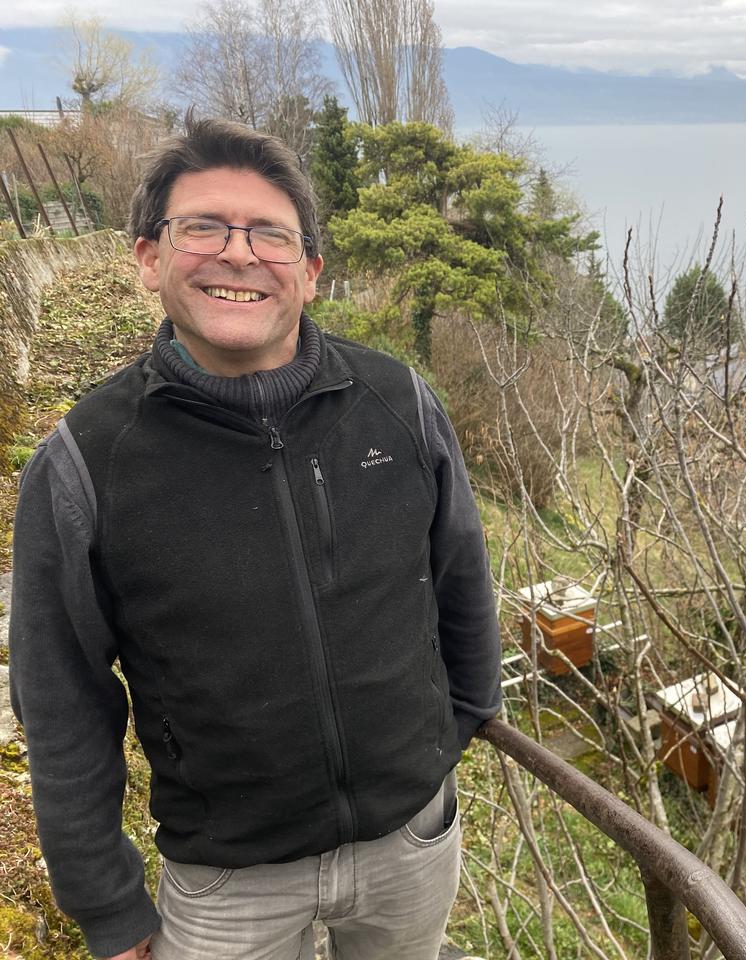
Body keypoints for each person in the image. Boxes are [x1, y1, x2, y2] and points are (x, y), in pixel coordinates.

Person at [8, 117, 502, 959]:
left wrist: (452, 732)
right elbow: (61, 701)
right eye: (202, 226)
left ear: (308, 272)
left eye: (270, 234)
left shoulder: (399, 403)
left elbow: (459, 580)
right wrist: (105, 901)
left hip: (411, 845)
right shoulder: (85, 461)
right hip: (225, 877)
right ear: (148, 258)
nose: (239, 254)